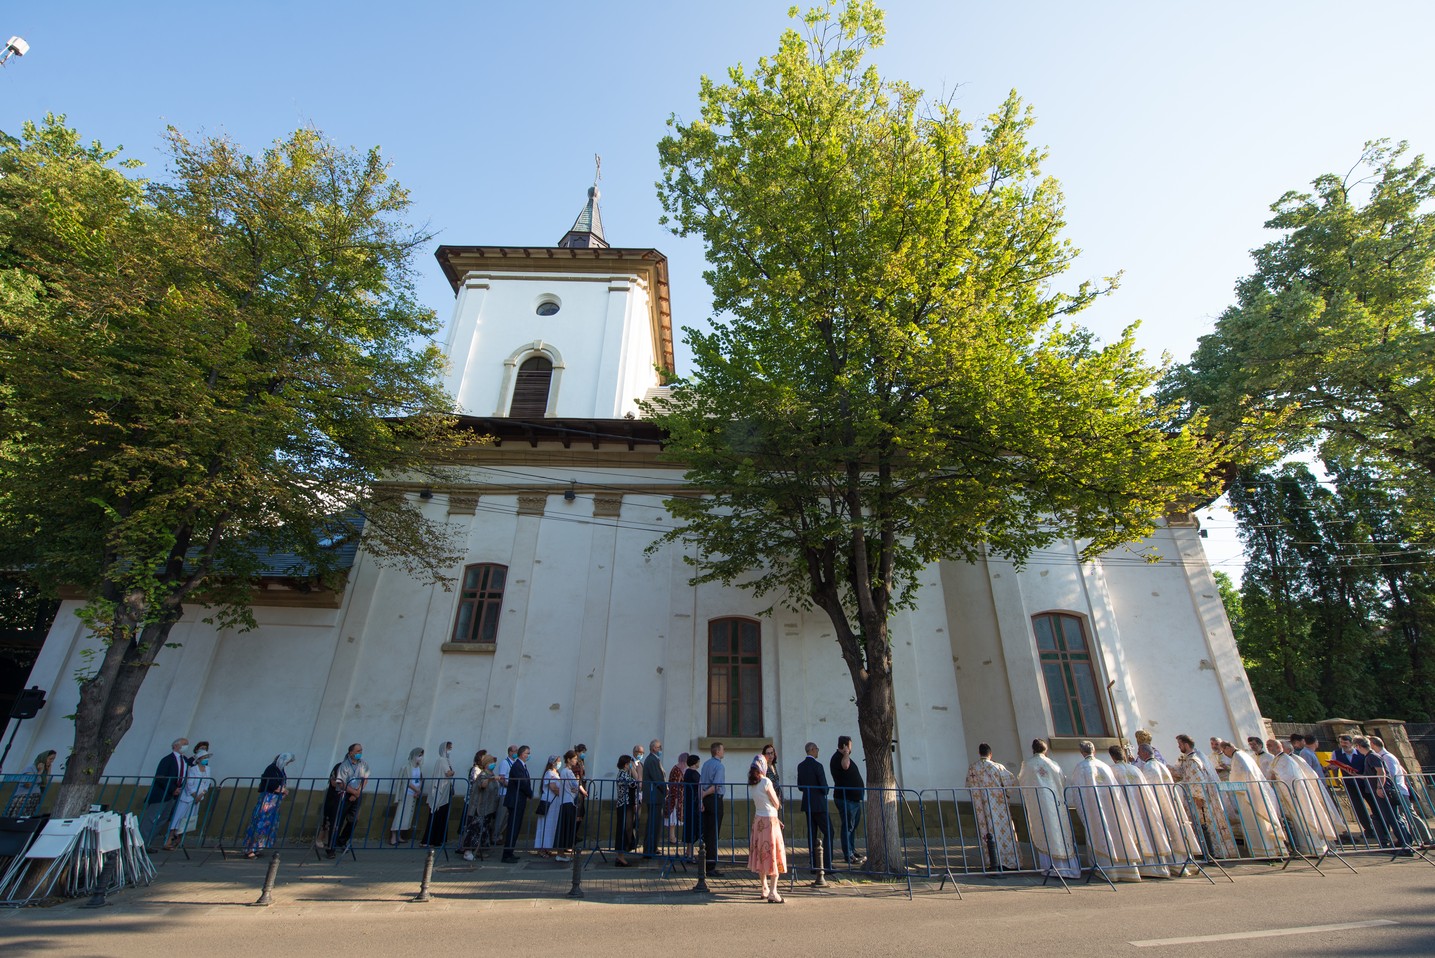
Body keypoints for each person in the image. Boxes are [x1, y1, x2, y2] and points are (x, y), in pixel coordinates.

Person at [1069, 741, 1143, 882]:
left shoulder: (1081, 768)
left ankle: (1106, 869)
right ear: (1094, 750)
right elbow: (1116, 791)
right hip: (1112, 809)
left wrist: (1083, 811)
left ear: (1082, 752)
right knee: (1117, 832)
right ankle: (1125, 868)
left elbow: (1077, 793)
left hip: (1093, 809)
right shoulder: (1105, 766)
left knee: (1099, 835)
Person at [1107, 745, 1174, 878]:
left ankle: (1137, 868)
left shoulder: (1112, 771)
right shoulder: (1136, 770)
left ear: (1113, 757)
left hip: (1125, 809)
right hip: (1143, 809)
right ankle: (1157, 867)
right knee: (1148, 831)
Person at [1017, 739, 1080, 879]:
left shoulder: (1028, 764)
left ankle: (1050, 867)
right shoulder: (1053, 764)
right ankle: (1067, 867)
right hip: (1056, 803)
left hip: (1039, 804)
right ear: (1045, 750)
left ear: (1033, 749)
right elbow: (1062, 780)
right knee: (1060, 833)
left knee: (1045, 832)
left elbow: (1022, 780)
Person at [1136, 743, 1201, 871]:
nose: (1138, 754)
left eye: (1139, 751)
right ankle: (1183, 862)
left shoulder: (1149, 767)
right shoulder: (1161, 765)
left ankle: (1172, 863)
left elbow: (1149, 791)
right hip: (1171, 804)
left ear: (1144, 753)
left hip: (1159, 806)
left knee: (1165, 832)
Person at [1172, 734, 1237, 858]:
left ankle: (1212, 852)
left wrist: (1198, 797)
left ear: (1186, 745)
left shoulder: (1192, 760)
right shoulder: (1190, 758)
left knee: (1205, 825)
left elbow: (1198, 780)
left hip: (1200, 800)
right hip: (1199, 797)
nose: (1178, 747)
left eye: (1180, 744)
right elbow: (1183, 774)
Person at [1269, 742, 1339, 857]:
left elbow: (1291, 776)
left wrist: (1275, 776)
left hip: (1298, 795)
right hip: (1288, 796)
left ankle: (1318, 848)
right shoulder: (1278, 759)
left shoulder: (1289, 759)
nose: (1268, 748)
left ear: (1283, 748)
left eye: (1270, 745)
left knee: (1309, 818)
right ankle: (1305, 848)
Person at [1219, 741, 1287, 858]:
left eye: (1224, 751)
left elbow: (1245, 773)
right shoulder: (1242, 755)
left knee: (1258, 822)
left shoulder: (1239, 756)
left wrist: (1231, 782)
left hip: (1249, 794)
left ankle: (1265, 850)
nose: (1224, 754)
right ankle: (1267, 850)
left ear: (1228, 748)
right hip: (1250, 793)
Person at [964, 743, 1019, 871]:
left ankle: (992, 861)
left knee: (987, 832)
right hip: (999, 805)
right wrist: (1006, 793)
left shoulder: (973, 768)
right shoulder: (998, 767)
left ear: (979, 753)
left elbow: (969, 786)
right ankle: (1009, 861)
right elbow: (1010, 781)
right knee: (1004, 832)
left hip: (982, 806)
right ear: (990, 754)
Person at [1372, 736, 1431, 846]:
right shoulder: (1385, 756)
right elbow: (1402, 770)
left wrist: (1383, 781)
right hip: (1397, 790)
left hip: (1398, 791)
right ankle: (1411, 839)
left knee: (1410, 814)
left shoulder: (1387, 757)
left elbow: (1393, 773)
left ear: (1373, 744)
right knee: (1402, 816)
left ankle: (1427, 839)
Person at [1356, 736, 1412, 850]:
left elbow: (1381, 773)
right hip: (1382, 790)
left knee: (1393, 818)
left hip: (1384, 792)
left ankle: (1405, 844)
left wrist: (1379, 787)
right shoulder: (1372, 756)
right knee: (1393, 818)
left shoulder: (1372, 756)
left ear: (1358, 746)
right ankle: (1405, 842)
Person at [747, 754, 788, 903]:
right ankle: (773, 891)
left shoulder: (752, 783)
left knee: (761, 854)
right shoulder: (766, 781)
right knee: (774, 853)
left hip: (758, 820)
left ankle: (764, 887)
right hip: (770, 821)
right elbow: (776, 803)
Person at [318, 743, 369, 858]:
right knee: (337, 822)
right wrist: (352, 792)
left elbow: (365, 779)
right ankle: (331, 848)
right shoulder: (341, 766)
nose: (360, 753)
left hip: (356, 795)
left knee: (354, 820)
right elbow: (338, 782)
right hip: (342, 796)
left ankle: (341, 840)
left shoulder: (363, 764)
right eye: (357, 751)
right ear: (350, 753)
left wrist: (357, 793)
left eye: (361, 751)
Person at [142, 737, 190, 850]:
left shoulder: (185, 760)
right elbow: (160, 777)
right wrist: (172, 788)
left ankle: (148, 843)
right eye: (184, 744)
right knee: (151, 819)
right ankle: (140, 843)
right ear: (175, 746)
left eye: (187, 744)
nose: (186, 746)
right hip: (162, 794)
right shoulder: (168, 759)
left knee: (163, 819)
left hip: (173, 795)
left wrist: (179, 789)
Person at [243, 753, 294, 858]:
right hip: (268, 800)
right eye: (287, 762)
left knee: (267, 826)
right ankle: (249, 849)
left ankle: (257, 847)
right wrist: (284, 790)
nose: (287, 764)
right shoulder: (271, 769)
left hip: (275, 801)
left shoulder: (280, 770)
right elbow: (271, 784)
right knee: (259, 824)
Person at [795, 741, 833, 874]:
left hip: (807, 803)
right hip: (819, 804)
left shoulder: (801, 766)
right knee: (829, 832)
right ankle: (826, 864)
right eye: (816, 749)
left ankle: (814, 864)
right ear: (811, 750)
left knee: (811, 833)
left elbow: (800, 786)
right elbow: (824, 787)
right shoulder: (818, 766)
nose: (818, 751)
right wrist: (826, 791)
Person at [165, 746, 214, 850]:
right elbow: (189, 784)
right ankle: (169, 840)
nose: (206, 759)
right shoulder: (192, 769)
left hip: (198, 798)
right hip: (188, 797)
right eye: (204, 757)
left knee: (188, 819)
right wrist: (194, 795)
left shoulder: (208, 770)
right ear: (199, 759)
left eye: (207, 757)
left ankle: (179, 840)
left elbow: (207, 783)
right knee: (178, 818)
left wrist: (201, 794)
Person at [829, 735, 865, 867]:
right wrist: (846, 754)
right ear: (844, 746)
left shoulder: (844, 757)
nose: (851, 748)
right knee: (848, 826)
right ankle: (848, 854)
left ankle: (852, 850)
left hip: (854, 798)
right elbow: (845, 766)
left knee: (853, 826)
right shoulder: (839, 758)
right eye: (850, 746)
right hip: (845, 798)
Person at [460, 750, 497, 860]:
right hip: (478, 807)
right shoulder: (484, 774)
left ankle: (481, 850)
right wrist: (492, 779)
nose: (493, 764)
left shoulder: (490, 774)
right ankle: (468, 851)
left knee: (484, 829)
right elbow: (483, 785)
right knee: (475, 829)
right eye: (491, 762)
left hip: (487, 808)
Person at [500, 746, 532, 863]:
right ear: (521, 754)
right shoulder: (517, 766)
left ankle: (510, 852)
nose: (528, 755)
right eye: (527, 753)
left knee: (516, 827)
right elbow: (523, 783)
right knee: (513, 827)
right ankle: (506, 854)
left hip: (519, 799)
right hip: (515, 800)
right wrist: (530, 793)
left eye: (529, 753)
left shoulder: (522, 765)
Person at [424, 741, 457, 847]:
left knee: (442, 815)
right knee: (438, 814)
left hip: (446, 791)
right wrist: (453, 772)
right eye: (448, 748)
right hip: (441, 791)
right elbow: (448, 773)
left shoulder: (447, 760)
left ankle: (439, 838)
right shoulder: (442, 760)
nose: (449, 750)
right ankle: (433, 839)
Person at [700, 741, 726, 876]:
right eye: (722, 750)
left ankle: (704, 863)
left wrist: (701, 799)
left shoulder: (705, 764)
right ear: (717, 752)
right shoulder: (719, 767)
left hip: (706, 800)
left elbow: (701, 783)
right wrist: (705, 794)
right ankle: (710, 865)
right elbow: (716, 785)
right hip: (714, 799)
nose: (724, 751)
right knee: (714, 833)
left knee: (707, 832)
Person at [4, 749, 56, 816]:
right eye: (50, 759)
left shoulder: (44, 771)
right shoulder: (30, 769)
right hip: (24, 798)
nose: (51, 761)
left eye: (53, 759)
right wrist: (39, 772)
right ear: (44, 758)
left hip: (34, 799)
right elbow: (28, 784)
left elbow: (46, 782)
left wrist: (49, 769)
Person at [390, 747, 425, 845]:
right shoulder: (406, 767)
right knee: (400, 814)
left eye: (422, 755)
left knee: (407, 816)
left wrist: (418, 790)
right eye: (419, 755)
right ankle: (393, 835)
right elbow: (406, 781)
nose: (420, 758)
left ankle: (399, 835)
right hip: (406, 793)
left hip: (414, 794)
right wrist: (416, 789)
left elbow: (420, 779)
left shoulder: (419, 767)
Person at [555, 749, 585, 863]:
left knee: (564, 827)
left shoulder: (565, 771)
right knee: (565, 828)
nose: (576, 761)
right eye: (574, 759)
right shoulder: (567, 771)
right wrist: (577, 782)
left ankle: (561, 853)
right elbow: (575, 784)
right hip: (568, 801)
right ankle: (561, 853)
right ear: (569, 759)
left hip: (567, 801)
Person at [613, 754, 639, 867]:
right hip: (624, 804)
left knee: (626, 828)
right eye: (629, 764)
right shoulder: (623, 774)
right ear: (626, 764)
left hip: (626, 803)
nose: (630, 766)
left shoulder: (623, 774)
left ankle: (622, 854)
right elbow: (634, 783)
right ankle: (620, 856)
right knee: (623, 829)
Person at [535, 755, 563, 855]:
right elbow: (553, 787)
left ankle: (547, 847)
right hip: (549, 802)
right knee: (545, 825)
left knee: (551, 825)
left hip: (555, 803)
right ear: (552, 762)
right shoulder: (549, 773)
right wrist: (564, 793)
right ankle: (541, 848)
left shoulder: (557, 773)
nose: (559, 763)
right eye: (558, 761)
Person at [643, 738, 665, 858]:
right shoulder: (652, 760)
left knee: (656, 823)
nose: (660, 749)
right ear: (653, 748)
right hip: (654, 796)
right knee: (652, 823)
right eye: (658, 747)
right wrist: (665, 789)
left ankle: (653, 847)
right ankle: (649, 849)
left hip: (656, 796)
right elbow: (657, 778)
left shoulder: (655, 759)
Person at [666, 751, 689, 849]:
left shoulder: (678, 769)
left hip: (678, 797)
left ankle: (673, 836)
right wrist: (675, 799)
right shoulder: (677, 770)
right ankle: (672, 837)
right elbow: (675, 785)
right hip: (675, 797)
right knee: (673, 818)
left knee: (674, 818)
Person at [682, 753, 702, 862]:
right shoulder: (694, 774)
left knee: (690, 827)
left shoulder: (687, 773)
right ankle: (690, 853)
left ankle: (688, 851)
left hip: (689, 802)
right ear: (695, 762)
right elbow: (699, 787)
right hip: (694, 803)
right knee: (694, 827)